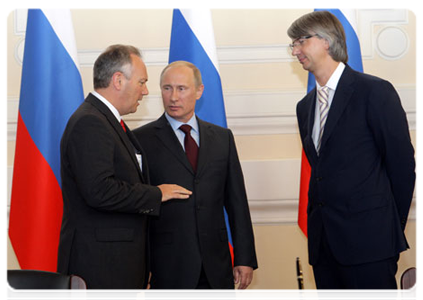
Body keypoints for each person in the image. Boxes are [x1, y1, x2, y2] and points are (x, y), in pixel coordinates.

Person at [287, 11, 416, 300]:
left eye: (300, 42)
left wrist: (388, 231)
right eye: (292, 45)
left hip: (370, 245)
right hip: (324, 249)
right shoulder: (304, 106)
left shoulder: (374, 91)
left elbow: (402, 167)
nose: (295, 52)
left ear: (325, 41)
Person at [57, 45, 192, 300]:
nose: (145, 91)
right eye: (141, 82)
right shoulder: (91, 122)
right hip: (99, 273)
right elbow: (99, 191)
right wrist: (156, 194)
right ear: (118, 80)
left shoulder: (107, 120)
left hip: (115, 272)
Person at [133, 61, 258, 300]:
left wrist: (244, 258)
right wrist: (141, 264)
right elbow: (138, 208)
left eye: (182, 89)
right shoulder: (141, 140)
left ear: (199, 91)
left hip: (216, 270)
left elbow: (237, 203)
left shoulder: (223, 138)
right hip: (167, 271)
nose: (173, 97)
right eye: (167, 88)